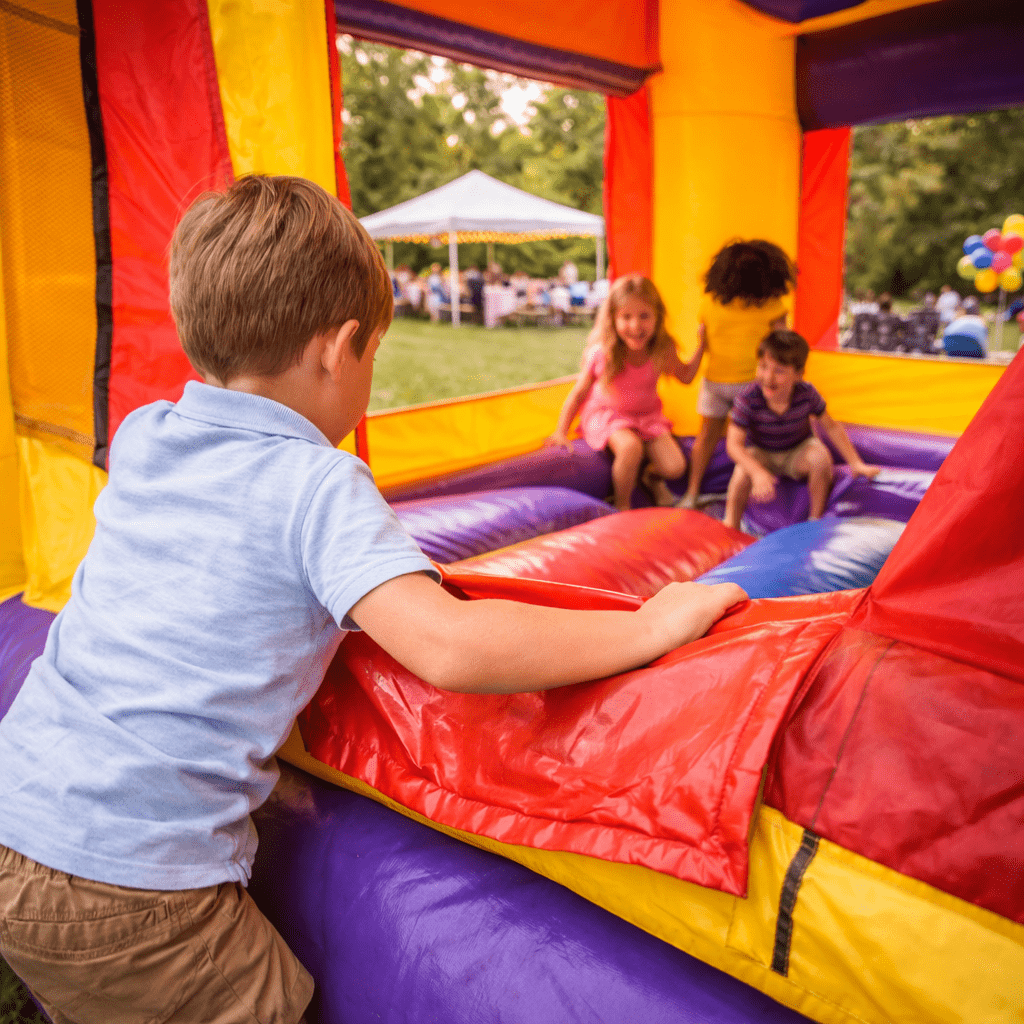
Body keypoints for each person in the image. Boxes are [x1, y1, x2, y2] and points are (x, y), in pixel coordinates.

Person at [0, 175, 746, 1024]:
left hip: (17, 812)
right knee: (270, 1004)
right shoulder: (316, 483)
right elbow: (449, 647)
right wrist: (648, 625)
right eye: (374, 356)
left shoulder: (144, 435)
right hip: (135, 882)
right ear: (339, 348)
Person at [548, 274, 705, 511]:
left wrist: (702, 346)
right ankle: (622, 505)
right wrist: (561, 431)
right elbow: (579, 394)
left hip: (647, 417)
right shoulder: (604, 352)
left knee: (675, 467)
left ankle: (650, 478)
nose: (635, 326)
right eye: (626, 317)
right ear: (613, 319)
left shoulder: (662, 348)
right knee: (631, 448)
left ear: (657, 316)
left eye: (644, 316)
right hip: (608, 415)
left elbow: (686, 377)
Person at [678, 239, 796, 510]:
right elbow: (784, 345)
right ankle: (758, 490)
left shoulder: (710, 304)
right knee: (756, 439)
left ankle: (692, 493)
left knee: (707, 437)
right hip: (752, 385)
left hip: (716, 381)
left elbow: (704, 339)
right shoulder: (772, 305)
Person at [723, 329, 880, 530]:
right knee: (742, 469)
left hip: (797, 452)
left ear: (798, 374)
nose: (768, 377)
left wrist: (856, 463)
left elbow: (831, 427)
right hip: (762, 453)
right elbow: (733, 445)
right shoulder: (748, 399)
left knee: (820, 457)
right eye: (763, 367)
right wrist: (757, 473)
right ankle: (731, 523)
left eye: (779, 371)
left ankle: (814, 521)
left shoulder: (806, 394)